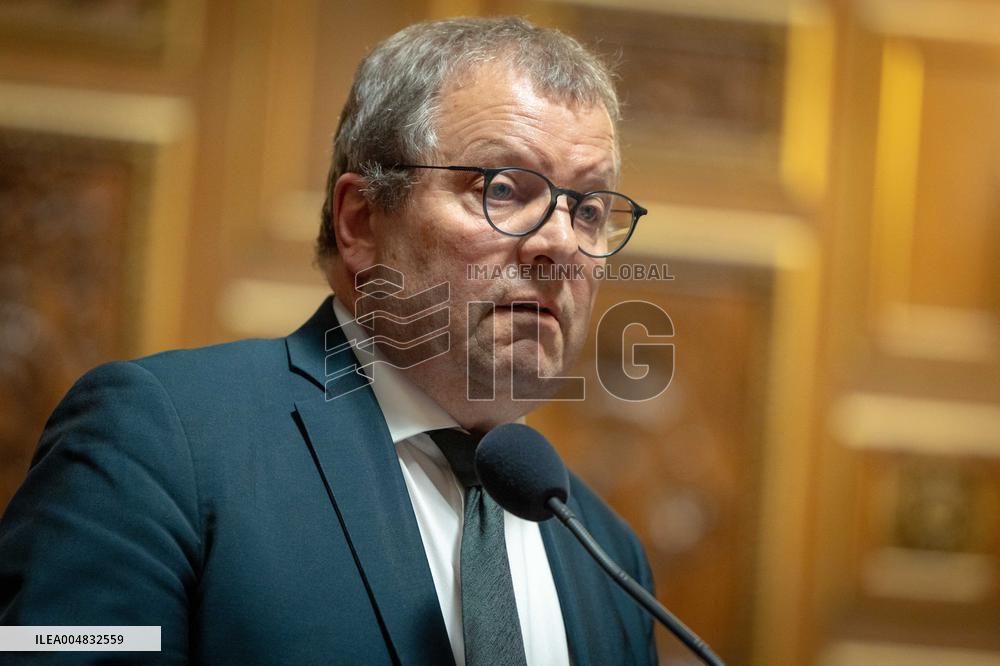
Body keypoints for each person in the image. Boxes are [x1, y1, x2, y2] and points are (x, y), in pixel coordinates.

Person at [0, 16, 656, 665]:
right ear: (362, 222)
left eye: (590, 210)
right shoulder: (158, 441)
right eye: (504, 189)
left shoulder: (604, 554)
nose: (562, 245)